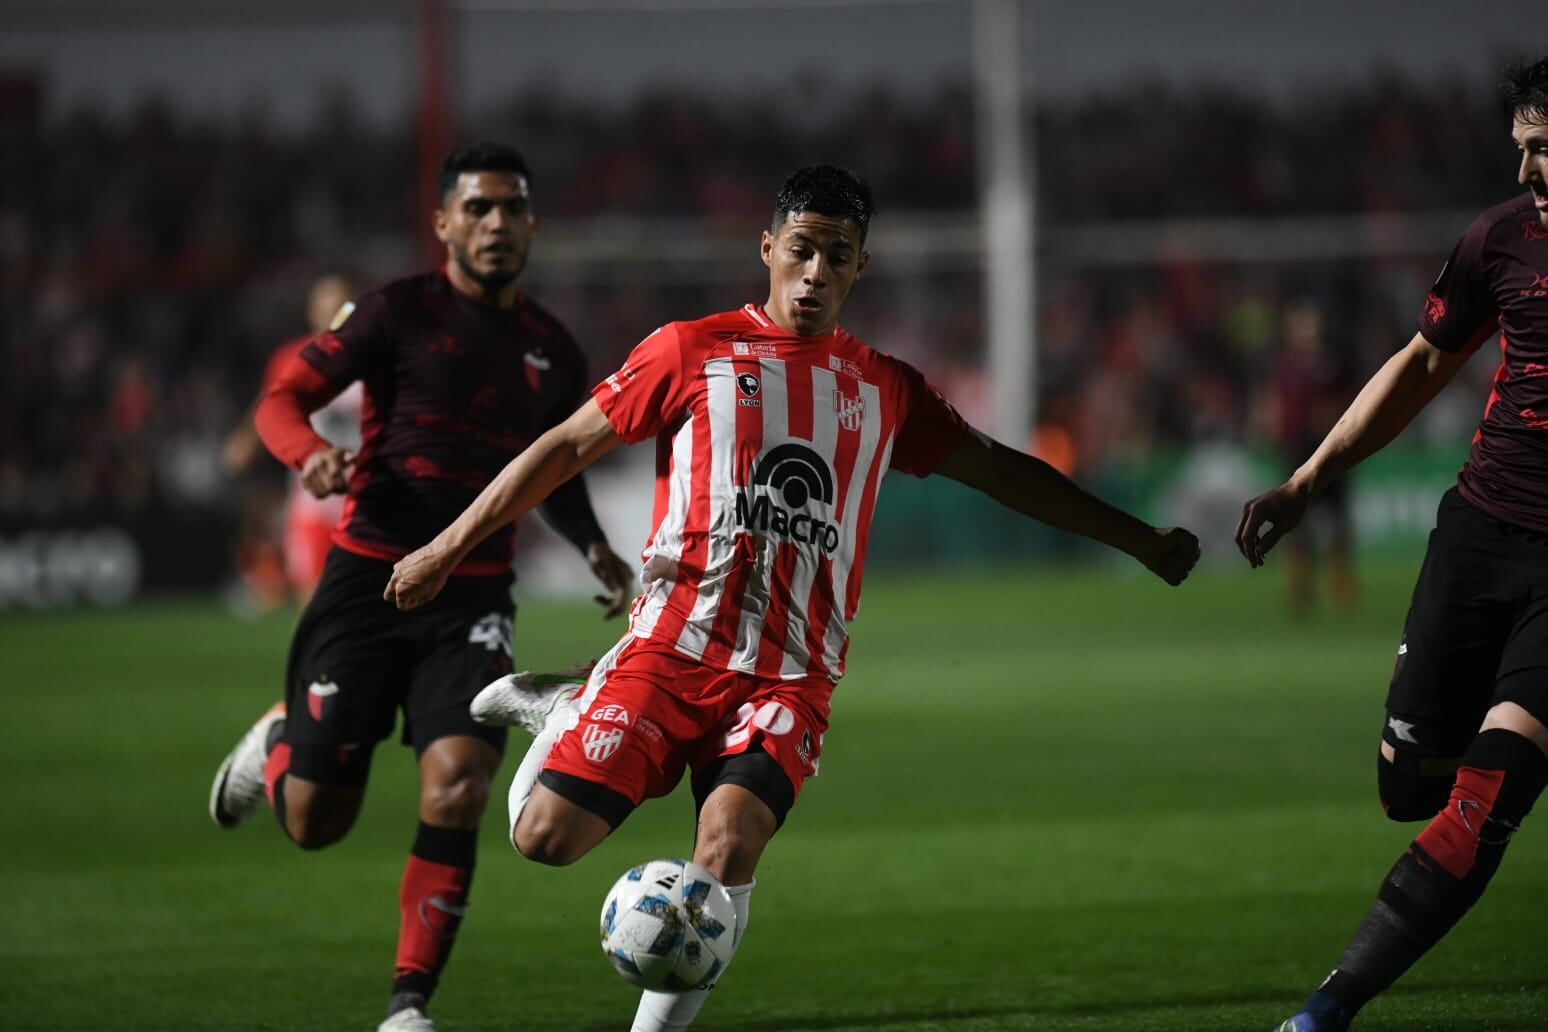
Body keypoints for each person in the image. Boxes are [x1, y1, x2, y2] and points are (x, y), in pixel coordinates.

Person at [384, 164, 1202, 1032]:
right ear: (769, 248)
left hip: (792, 676)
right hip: (673, 648)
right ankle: (566, 710)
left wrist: (1141, 541)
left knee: (728, 846)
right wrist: (444, 547)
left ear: (860, 268)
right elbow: (561, 448)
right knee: (544, 839)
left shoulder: (886, 389)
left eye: (837, 257)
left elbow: (1003, 472)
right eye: (803, 250)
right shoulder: (689, 350)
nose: (816, 273)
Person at [206, 142, 637, 1032]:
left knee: (459, 787)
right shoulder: (394, 313)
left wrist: (595, 546)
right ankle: (286, 737)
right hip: (367, 583)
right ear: (443, 223)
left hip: (473, 598)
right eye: (476, 209)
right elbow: (279, 397)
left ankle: (408, 1008)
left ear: (532, 224)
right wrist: (309, 455)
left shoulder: (551, 349)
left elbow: (553, 468)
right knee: (315, 820)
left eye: (511, 208)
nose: (494, 224)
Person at [1237, 58, 1548, 1032]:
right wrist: (1308, 478)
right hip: (1479, 535)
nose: (1530, 169)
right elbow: (1422, 362)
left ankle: (1324, 1013)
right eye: (1522, 150)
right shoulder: (1500, 240)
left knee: (1485, 798)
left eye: (1544, 149)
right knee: (1408, 789)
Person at [220, 272, 361, 608]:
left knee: (364, 597)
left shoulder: (376, 358)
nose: (332, 313)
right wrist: (244, 441)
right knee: (312, 598)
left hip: (365, 494)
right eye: (325, 305)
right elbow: (271, 405)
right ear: (311, 311)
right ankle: (317, 659)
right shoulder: (293, 358)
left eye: (340, 304)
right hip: (312, 494)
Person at [1262, 298, 1358, 617]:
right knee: (1295, 525)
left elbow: (1350, 397)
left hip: (1330, 450)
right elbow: (1275, 401)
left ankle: (1341, 586)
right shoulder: (1285, 365)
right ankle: (1300, 591)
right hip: (1297, 451)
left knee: (1337, 521)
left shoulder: (1333, 362)